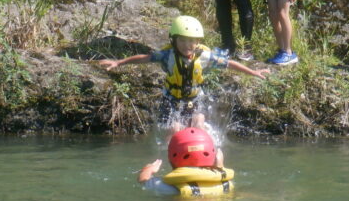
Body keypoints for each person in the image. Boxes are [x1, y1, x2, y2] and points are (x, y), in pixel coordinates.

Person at [99, 15, 268, 131]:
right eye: (182, 40)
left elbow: (229, 63)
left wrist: (253, 72)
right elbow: (144, 58)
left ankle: (200, 152)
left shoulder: (203, 56)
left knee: (199, 124)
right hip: (171, 98)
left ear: (198, 42)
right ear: (174, 40)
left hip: (195, 98)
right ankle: (171, 154)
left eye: (192, 41)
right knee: (174, 129)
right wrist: (119, 62)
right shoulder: (167, 55)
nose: (187, 45)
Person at [137, 127, 230, 196]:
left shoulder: (171, 188)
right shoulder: (226, 184)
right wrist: (219, 167)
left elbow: (143, 181)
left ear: (171, 158)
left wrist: (148, 169)